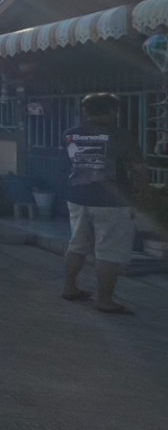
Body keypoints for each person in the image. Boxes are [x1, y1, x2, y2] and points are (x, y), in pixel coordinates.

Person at [60, 92, 147, 314]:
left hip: (77, 197)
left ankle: (69, 288)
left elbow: (67, 164)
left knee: (77, 245)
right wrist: (141, 195)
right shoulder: (121, 136)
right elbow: (137, 169)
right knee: (109, 251)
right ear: (112, 111)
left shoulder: (71, 134)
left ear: (86, 111)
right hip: (112, 202)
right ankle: (105, 301)